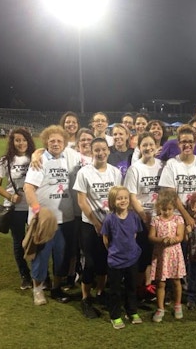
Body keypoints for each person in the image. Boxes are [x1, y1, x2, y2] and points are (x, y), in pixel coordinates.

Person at [23, 125, 75, 306]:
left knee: (61, 257)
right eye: (51, 140)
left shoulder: (67, 159)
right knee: (41, 257)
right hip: (44, 222)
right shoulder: (40, 161)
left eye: (59, 140)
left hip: (65, 219)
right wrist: (38, 211)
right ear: (45, 142)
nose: (55, 143)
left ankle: (56, 288)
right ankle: (38, 290)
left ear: (65, 143)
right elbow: (28, 188)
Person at [73, 137, 122, 319]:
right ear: (91, 152)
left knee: (105, 262)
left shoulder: (115, 172)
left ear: (108, 151)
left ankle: (101, 292)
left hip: (109, 224)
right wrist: (96, 222)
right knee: (90, 263)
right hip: (90, 225)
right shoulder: (84, 172)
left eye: (103, 149)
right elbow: (81, 201)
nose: (100, 153)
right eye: (96, 150)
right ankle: (86, 298)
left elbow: (118, 198)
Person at [0, 128, 35, 290]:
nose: (21, 143)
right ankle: (25, 276)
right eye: (17, 140)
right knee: (19, 242)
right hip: (14, 208)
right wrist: (10, 197)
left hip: (32, 207)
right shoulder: (5, 160)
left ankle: (39, 275)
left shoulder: (35, 157)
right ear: (12, 142)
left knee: (35, 241)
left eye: (24, 140)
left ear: (28, 141)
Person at [124, 132, 163, 300]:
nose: (148, 148)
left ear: (156, 147)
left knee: (156, 253)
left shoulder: (163, 165)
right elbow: (132, 196)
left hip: (159, 216)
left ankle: (150, 285)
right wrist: (143, 216)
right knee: (142, 253)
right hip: (140, 217)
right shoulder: (135, 169)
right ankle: (138, 287)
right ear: (139, 148)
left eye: (150, 144)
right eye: (144, 145)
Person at [101, 186, 143, 329]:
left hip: (132, 258)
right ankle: (116, 316)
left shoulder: (134, 216)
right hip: (116, 261)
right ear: (112, 201)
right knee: (115, 290)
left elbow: (134, 234)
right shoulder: (109, 219)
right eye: (119, 198)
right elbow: (106, 239)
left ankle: (132, 311)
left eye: (125, 197)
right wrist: (115, 251)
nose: (123, 201)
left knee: (131, 287)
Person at [158, 124, 196, 228]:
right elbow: (172, 195)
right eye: (183, 142)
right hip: (177, 215)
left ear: (195, 143)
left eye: (190, 142)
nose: (187, 145)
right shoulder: (171, 164)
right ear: (178, 144)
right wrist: (186, 216)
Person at [149, 190, 186, 322]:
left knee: (176, 281)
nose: (167, 212)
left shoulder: (178, 219)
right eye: (164, 209)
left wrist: (173, 240)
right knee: (161, 282)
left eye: (169, 209)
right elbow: (151, 237)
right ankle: (160, 308)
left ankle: (177, 305)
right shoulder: (156, 220)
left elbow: (180, 236)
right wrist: (161, 240)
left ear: (174, 208)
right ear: (159, 207)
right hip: (161, 255)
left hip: (174, 254)